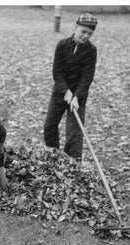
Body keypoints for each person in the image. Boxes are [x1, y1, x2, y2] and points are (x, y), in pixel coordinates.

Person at [43, 13, 98, 167]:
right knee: (49, 125)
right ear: (76, 27)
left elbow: (87, 76)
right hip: (60, 93)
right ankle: (52, 154)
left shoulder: (91, 50)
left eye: (89, 33)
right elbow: (57, 72)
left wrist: (77, 96)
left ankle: (72, 163)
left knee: (74, 132)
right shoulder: (62, 45)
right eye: (83, 32)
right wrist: (65, 91)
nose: (86, 36)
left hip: (78, 97)